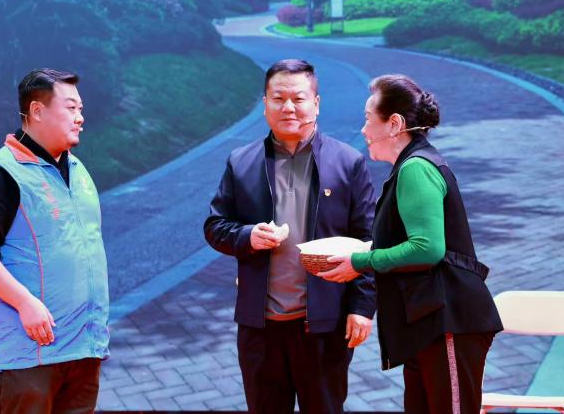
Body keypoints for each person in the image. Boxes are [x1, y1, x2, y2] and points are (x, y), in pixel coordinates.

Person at [318, 74, 503, 414]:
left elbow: (427, 248)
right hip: (430, 324)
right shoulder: (410, 165)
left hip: (449, 320)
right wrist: (362, 252)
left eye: (368, 119)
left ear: (394, 124)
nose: (363, 129)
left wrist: (360, 261)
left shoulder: (416, 168)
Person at [204, 59, 377, 414]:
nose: (288, 107)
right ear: (265, 103)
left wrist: (361, 308)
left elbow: (368, 240)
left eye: (298, 98)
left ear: (316, 103)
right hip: (260, 328)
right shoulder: (242, 162)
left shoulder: (347, 162)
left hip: (325, 326)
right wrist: (247, 236)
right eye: (278, 98)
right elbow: (215, 226)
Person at [0, 68, 109, 414]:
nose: (80, 117)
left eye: (81, 109)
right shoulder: (0, 173)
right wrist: (24, 302)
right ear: (37, 111)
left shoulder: (77, 169)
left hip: (81, 350)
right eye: (71, 108)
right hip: (24, 359)